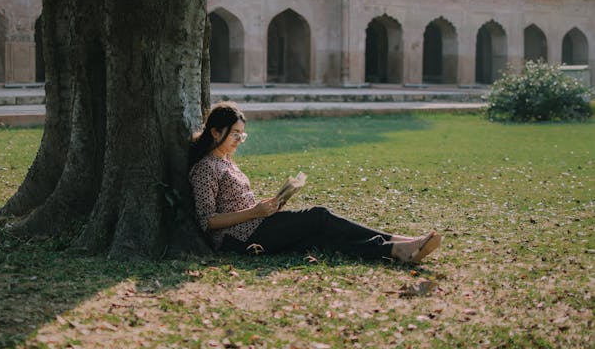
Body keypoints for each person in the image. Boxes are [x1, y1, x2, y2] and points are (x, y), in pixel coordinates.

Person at [188, 102, 441, 263]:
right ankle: (400, 241)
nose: (239, 140)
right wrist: (255, 211)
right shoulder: (205, 168)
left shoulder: (228, 162)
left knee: (320, 237)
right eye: (234, 134)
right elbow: (207, 220)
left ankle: (396, 249)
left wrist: (268, 206)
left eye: (241, 135)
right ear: (215, 132)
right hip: (238, 239)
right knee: (319, 216)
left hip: (257, 225)